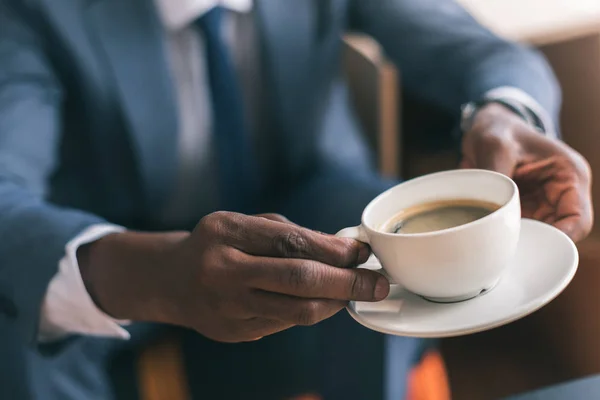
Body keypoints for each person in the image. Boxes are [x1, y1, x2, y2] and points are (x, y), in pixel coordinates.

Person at [0, 0, 593, 398]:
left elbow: (480, 52)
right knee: (24, 324)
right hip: (126, 253)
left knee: (373, 243)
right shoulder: (36, 15)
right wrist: (157, 275)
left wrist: (506, 112)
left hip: (311, 207)